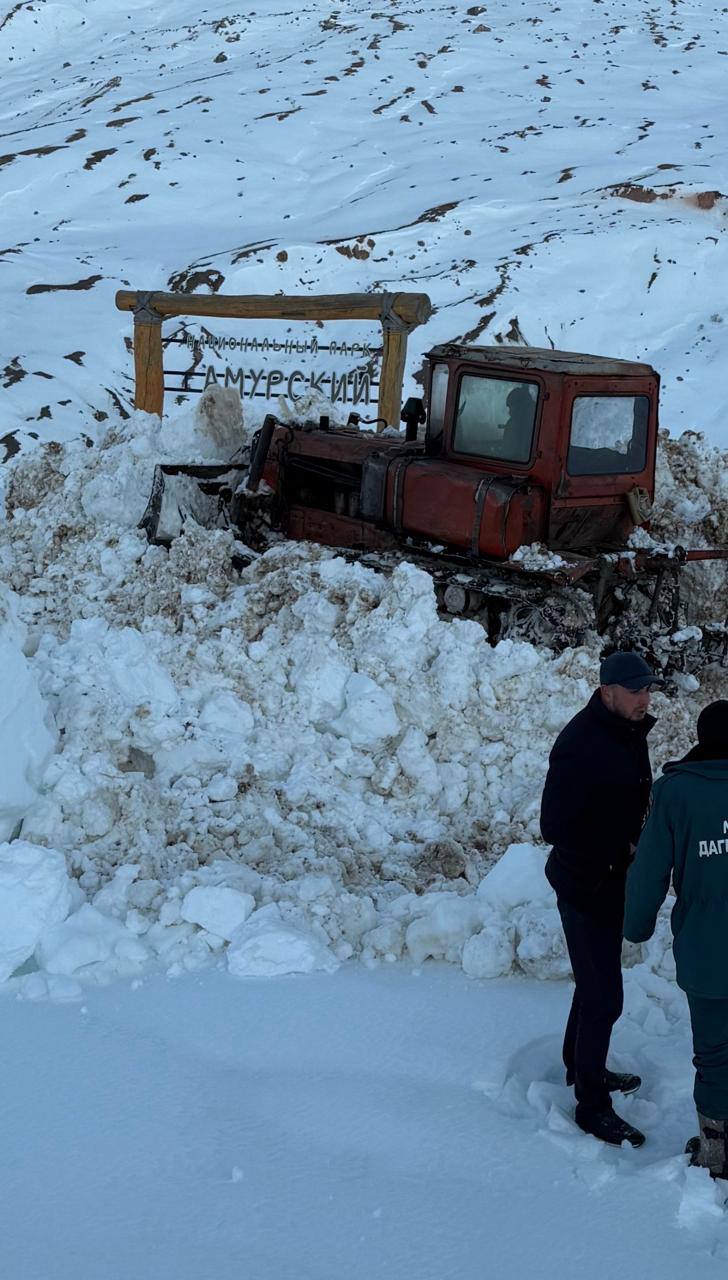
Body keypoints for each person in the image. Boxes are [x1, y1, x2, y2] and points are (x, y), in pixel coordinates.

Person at [540, 650, 663, 1147]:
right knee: (604, 996)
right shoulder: (581, 743)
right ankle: (591, 1105)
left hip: (611, 880)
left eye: (647, 689)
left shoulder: (626, 730)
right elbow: (555, 826)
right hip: (584, 883)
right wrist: (622, 847)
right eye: (634, 690)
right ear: (606, 690)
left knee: (595, 984)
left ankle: (579, 1065)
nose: (644, 698)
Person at [624, 700, 728, 1178]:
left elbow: (649, 870)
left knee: (714, 1054)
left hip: (708, 950)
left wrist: (635, 927)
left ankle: (717, 1153)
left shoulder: (675, 792)